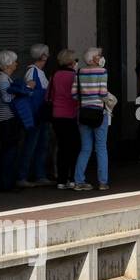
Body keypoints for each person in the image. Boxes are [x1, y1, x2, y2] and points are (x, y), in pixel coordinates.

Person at [72, 47, 111, 192]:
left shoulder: (79, 72)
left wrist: (86, 99)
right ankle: (102, 182)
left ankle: (78, 180)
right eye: (99, 55)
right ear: (93, 58)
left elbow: (74, 95)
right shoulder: (102, 71)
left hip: (83, 113)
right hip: (99, 113)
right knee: (101, 147)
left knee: (85, 148)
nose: (101, 57)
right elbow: (103, 93)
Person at [0, 50, 32, 193]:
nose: (16, 64)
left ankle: (7, 182)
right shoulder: (3, 78)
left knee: (9, 151)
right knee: (9, 151)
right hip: (6, 120)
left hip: (7, 119)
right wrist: (24, 90)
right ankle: (6, 183)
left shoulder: (4, 77)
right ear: (8, 63)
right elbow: (7, 98)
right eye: (14, 61)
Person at [15, 44, 53, 187]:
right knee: (31, 145)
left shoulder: (39, 72)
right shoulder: (32, 72)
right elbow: (29, 92)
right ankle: (23, 175)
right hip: (36, 114)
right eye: (47, 54)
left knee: (41, 144)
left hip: (40, 114)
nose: (48, 57)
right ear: (42, 56)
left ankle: (39, 174)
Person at [49, 49, 80, 189]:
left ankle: (61, 180)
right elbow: (77, 95)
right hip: (71, 114)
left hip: (56, 114)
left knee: (62, 147)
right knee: (74, 147)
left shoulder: (54, 75)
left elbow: (48, 95)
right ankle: (72, 178)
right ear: (71, 61)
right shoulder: (74, 76)